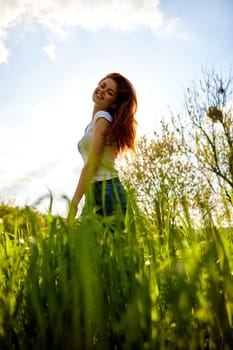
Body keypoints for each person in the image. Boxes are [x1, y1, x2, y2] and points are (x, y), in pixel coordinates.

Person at [68, 72, 137, 222]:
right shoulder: (91, 125)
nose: (102, 91)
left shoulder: (103, 118)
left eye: (109, 92)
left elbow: (92, 164)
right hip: (94, 192)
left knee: (111, 245)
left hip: (108, 192)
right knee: (86, 245)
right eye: (102, 85)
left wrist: (73, 204)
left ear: (114, 103)